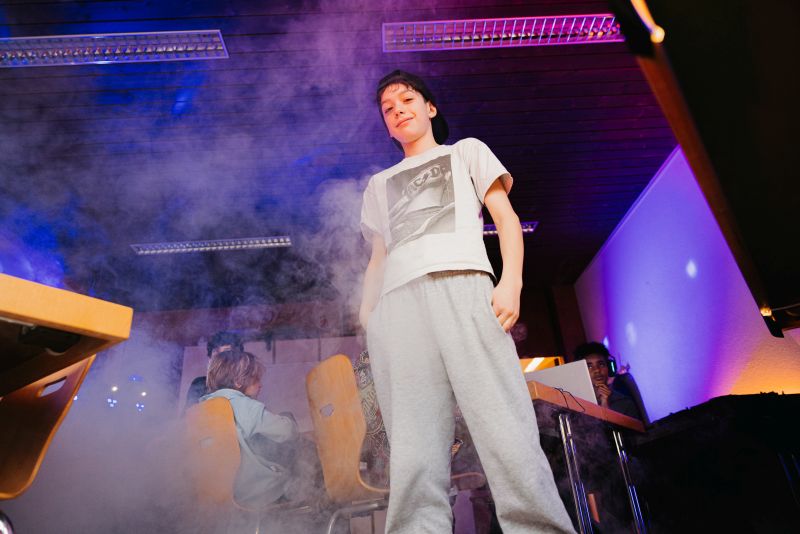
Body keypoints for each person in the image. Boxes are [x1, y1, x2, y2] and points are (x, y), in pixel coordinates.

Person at [359, 70, 574, 533]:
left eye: (407, 99)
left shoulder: (466, 152)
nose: (398, 110)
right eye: (388, 109)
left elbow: (506, 219)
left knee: (506, 427)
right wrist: (367, 318)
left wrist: (510, 282)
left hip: (464, 287)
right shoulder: (379, 184)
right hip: (399, 308)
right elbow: (378, 259)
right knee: (414, 445)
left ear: (430, 107)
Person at [573, 342, 642, 420]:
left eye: (601, 364)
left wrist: (605, 404)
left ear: (608, 367)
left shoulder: (624, 403)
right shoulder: (575, 405)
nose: (597, 370)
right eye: (589, 366)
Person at [183, 331, 244, 411]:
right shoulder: (199, 384)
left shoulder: (243, 384)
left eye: (226, 351)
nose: (220, 357)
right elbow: (187, 416)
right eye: (215, 352)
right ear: (210, 358)